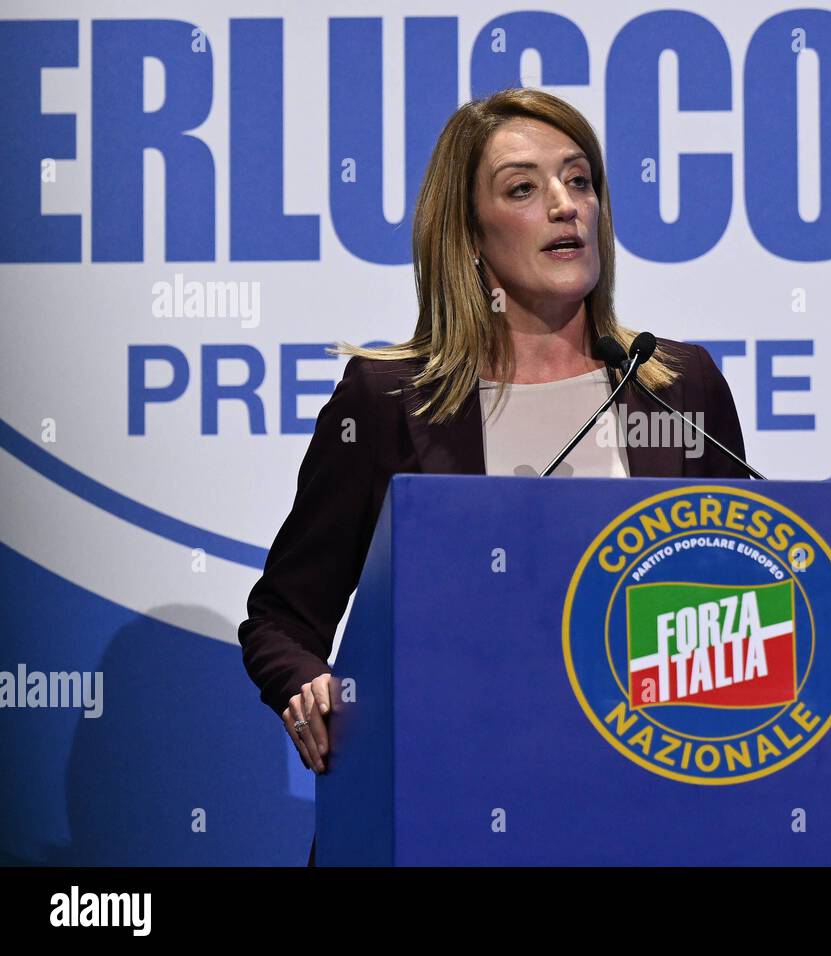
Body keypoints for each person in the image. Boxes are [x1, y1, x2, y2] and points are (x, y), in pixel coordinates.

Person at [236, 88, 751, 866]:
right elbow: (281, 617)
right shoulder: (389, 401)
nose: (565, 206)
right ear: (470, 237)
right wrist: (305, 684)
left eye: (580, 182)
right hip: (440, 806)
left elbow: (740, 604)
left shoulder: (676, 387)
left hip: (643, 812)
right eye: (524, 188)